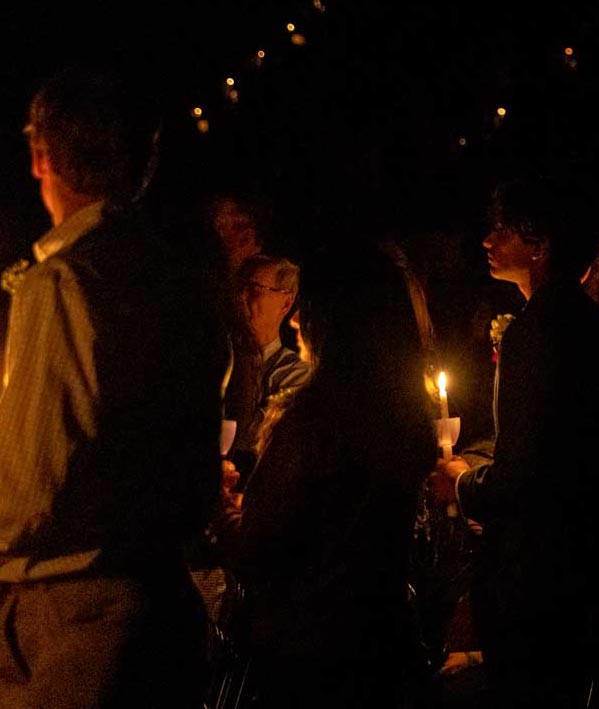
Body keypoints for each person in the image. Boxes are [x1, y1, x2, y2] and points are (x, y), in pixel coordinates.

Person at [0, 67, 227, 707]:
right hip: (161, 603)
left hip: (74, 617)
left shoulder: (61, 283)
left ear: (42, 155)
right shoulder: (184, 281)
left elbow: (27, 487)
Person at [431, 179, 599, 708]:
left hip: (535, 578)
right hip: (585, 564)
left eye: (502, 227)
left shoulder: (534, 332)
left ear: (539, 243)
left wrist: (462, 484)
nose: (486, 238)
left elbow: (528, 472)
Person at [219, 245, 435, 706]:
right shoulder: (406, 417)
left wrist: (225, 513)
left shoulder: (312, 420)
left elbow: (264, 545)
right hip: (386, 644)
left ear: (335, 318)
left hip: (312, 657)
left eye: (307, 308)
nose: (296, 321)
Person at [227, 255, 311, 477]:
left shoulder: (295, 373)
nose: (241, 297)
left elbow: (257, 438)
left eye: (254, 289)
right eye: (239, 287)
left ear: (286, 303)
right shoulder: (218, 357)